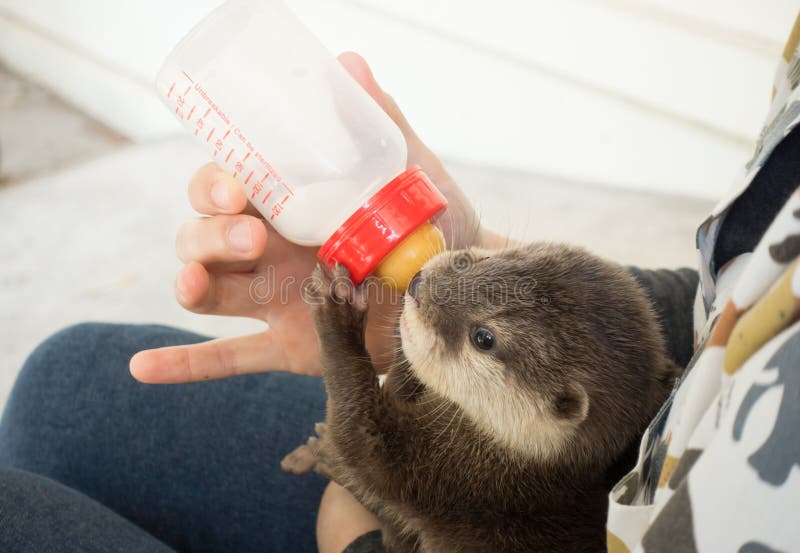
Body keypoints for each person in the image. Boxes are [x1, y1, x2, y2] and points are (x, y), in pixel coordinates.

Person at [1, 21, 800, 552]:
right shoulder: (614, 396)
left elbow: (373, 453)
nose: (434, 282)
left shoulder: (506, 461)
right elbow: (718, 319)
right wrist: (477, 247)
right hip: (626, 474)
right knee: (58, 389)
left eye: (481, 338)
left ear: (563, 412)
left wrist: (353, 535)